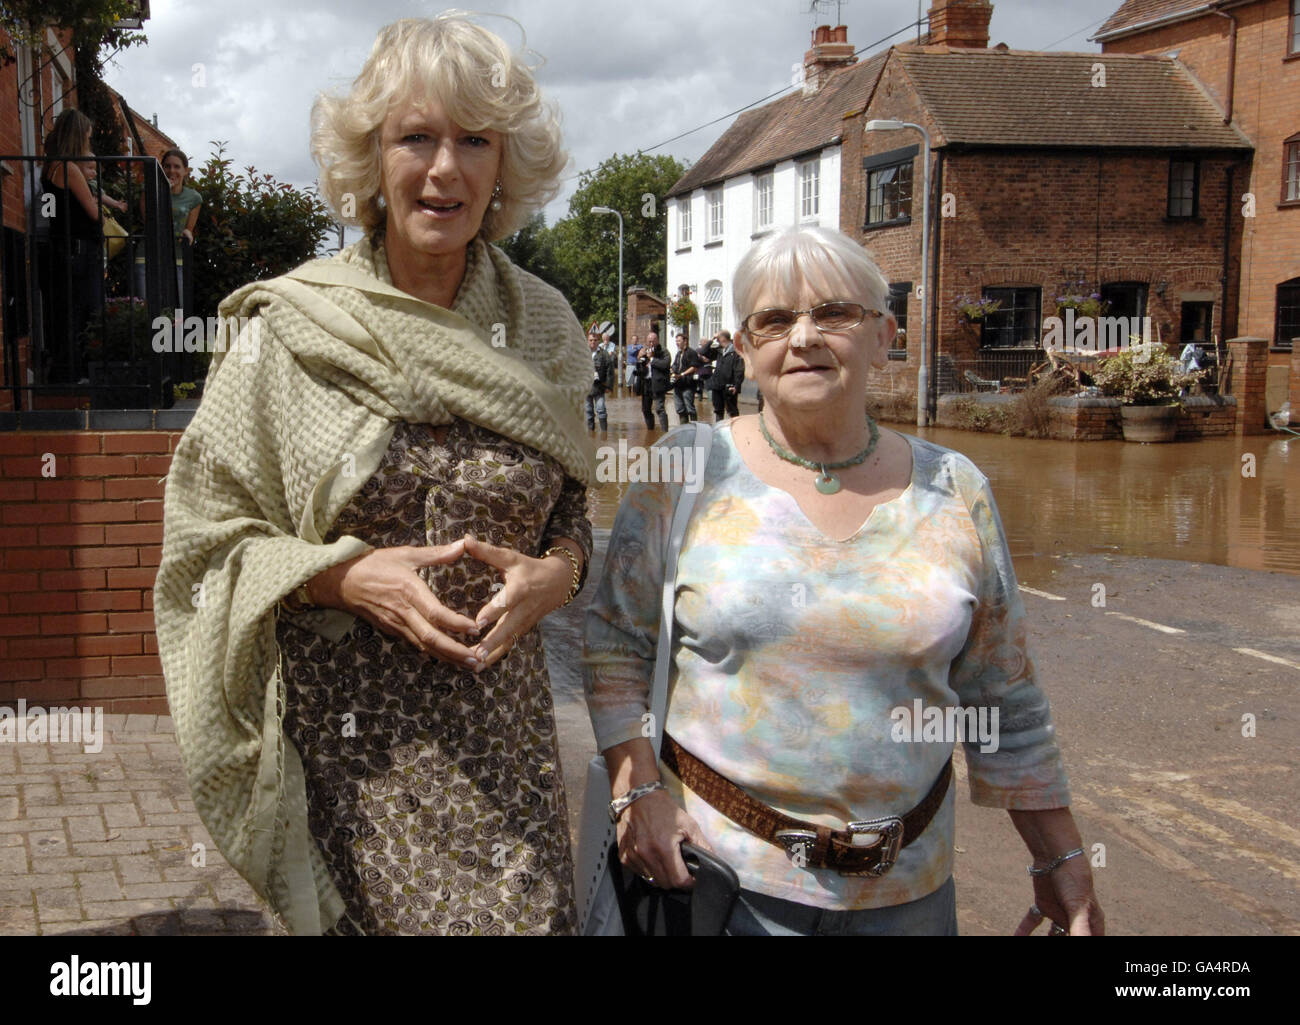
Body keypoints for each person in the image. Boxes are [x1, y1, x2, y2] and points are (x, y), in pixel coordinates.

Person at [156, 14, 596, 937]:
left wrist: (560, 575)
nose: (446, 169)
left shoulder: (548, 328)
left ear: (505, 164)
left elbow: (570, 510)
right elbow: (205, 541)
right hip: (355, 775)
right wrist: (342, 575)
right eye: (416, 137)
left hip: (509, 762)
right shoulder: (290, 332)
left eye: (475, 139)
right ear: (372, 159)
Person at [583, 225, 1103, 937]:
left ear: (884, 334)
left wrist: (1061, 857)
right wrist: (636, 790)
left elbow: (1003, 694)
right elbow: (615, 648)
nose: (802, 338)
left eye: (833, 313)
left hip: (911, 897)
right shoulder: (684, 470)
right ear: (743, 348)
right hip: (715, 887)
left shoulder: (955, 488)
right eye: (773, 319)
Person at [39, 109, 127, 381]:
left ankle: (67, 372)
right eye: (87, 135)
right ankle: (73, 374)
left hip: (65, 248)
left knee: (70, 310)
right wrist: (103, 209)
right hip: (79, 249)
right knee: (86, 310)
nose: (89, 140)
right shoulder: (70, 169)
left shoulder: (51, 166)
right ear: (78, 136)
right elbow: (92, 213)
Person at [134, 148, 202, 309]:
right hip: (147, 257)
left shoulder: (194, 198)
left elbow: (189, 229)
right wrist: (162, 191)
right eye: (167, 166)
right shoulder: (149, 191)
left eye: (177, 167)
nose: (172, 170)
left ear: (185, 171)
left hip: (177, 259)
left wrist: (188, 233)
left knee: (177, 311)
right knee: (146, 310)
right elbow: (150, 222)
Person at [637, 331, 670, 431]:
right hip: (646, 383)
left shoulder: (664, 351)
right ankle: (650, 430)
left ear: (657, 341)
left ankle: (665, 432)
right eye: (649, 341)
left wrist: (651, 358)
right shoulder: (645, 351)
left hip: (658, 383)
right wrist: (639, 358)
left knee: (659, 408)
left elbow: (665, 364)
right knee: (645, 409)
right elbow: (639, 368)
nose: (651, 344)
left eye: (653, 341)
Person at [709, 329, 744, 421]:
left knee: (732, 412)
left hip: (729, 386)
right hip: (717, 385)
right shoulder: (719, 351)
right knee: (718, 411)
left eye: (718, 338)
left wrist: (736, 385)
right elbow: (703, 352)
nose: (717, 340)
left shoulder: (736, 352)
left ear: (723, 339)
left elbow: (739, 370)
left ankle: (735, 432)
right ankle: (718, 432)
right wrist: (711, 340)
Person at [669, 331, 703, 424]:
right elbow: (674, 365)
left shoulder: (691, 352)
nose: (677, 343)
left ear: (685, 341)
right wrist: (672, 371)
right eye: (676, 341)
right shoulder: (678, 354)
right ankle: (683, 427)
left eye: (679, 341)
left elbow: (694, 367)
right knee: (680, 408)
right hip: (677, 384)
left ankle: (695, 428)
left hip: (688, 384)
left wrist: (682, 374)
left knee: (689, 407)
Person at [586, 328, 614, 431]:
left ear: (598, 341)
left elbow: (610, 371)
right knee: (588, 411)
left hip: (599, 386)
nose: (593, 342)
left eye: (595, 340)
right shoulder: (583, 353)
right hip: (586, 387)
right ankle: (590, 433)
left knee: (601, 409)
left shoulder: (604, 354)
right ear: (587, 341)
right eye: (591, 340)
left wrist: (609, 386)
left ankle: (604, 433)